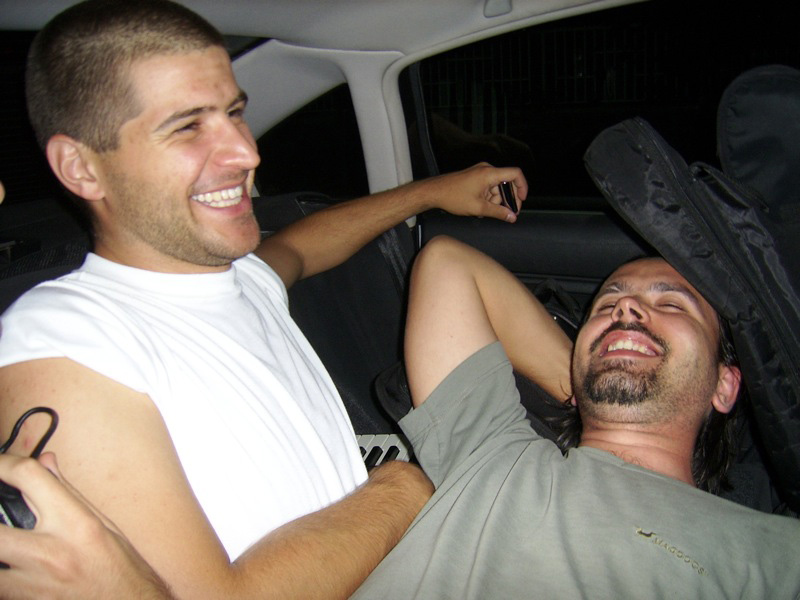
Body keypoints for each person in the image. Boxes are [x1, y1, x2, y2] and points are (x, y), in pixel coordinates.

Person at [0, 1, 527, 598]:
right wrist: (405, 487)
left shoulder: (238, 277)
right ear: (81, 168)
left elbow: (301, 247)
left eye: (234, 114)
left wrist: (434, 191)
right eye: (188, 127)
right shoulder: (63, 342)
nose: (247, 153)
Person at [352, 237, 800, 598]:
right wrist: (589, 379)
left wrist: (617, 357)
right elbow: (446, 263)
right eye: (607, 306)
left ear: (725, 385)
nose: (625, 309)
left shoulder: (772, 551)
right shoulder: (496, 453)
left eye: (672, 305)